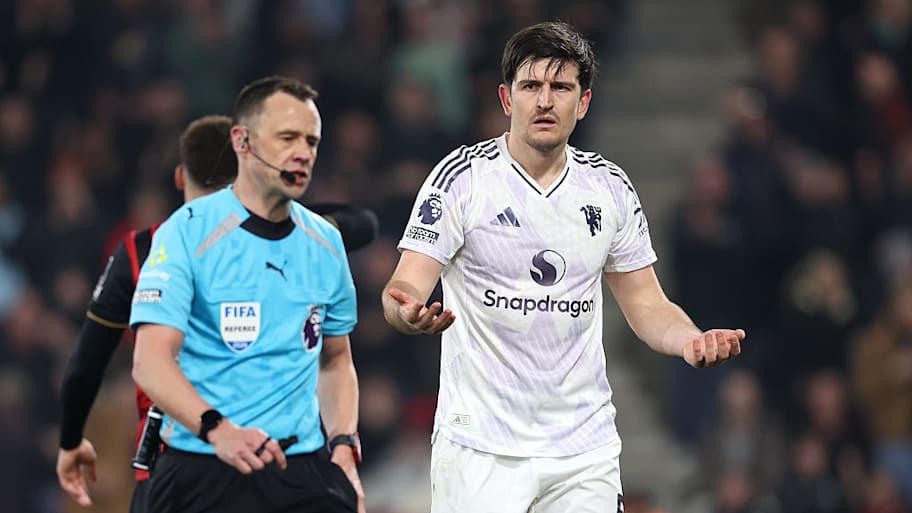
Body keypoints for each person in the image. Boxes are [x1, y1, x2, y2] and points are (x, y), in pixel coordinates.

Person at [381, 21, 747, 513]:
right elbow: (405, 285)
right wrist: (406, 312)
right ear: (507, 99)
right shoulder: (461, 180)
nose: (545, 101)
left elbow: (646, 303)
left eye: (560, 87)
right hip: (483, 446)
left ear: (584, 102)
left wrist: (689, 340)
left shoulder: (609, 189)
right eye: (531, 86)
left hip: (582, 447)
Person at [58, 113, 376, 511]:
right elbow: (363, 223)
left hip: (179, 467)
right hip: (285, 464)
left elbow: (87, 363)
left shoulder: (143, 251)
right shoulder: (295, 236)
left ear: (180, 177)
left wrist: (70, 439)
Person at [130, 76, 365, 513]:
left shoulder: (326, 244)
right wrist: (219, 432)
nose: (303, 153)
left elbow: (335, 361)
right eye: (288, 138)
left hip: (303, 472)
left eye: (311, 141)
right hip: (204, 466)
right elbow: (150, 362)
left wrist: (343, 446)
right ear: (242, 141)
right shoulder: (186, 231)